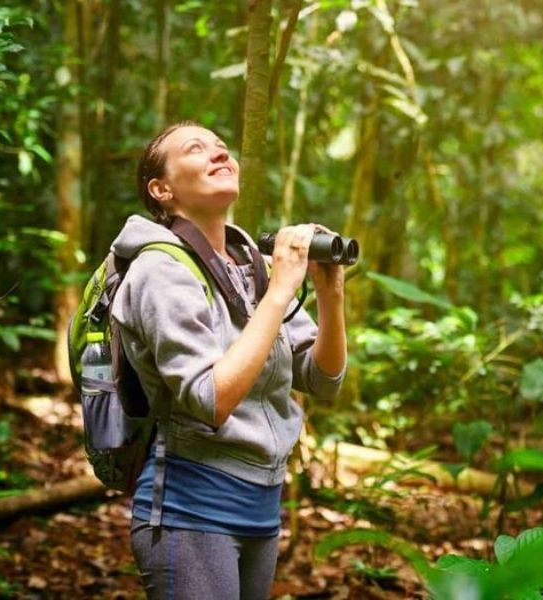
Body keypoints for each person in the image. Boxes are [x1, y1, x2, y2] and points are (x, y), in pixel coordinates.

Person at [110, 120, 346, 599]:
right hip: (190, 508)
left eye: (222, 147)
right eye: (197, 150)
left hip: (261, 507)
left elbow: (322, 379)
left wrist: (329, 295)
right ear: (162, 190)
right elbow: (209, 398)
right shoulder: (159, 270)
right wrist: (281, 289)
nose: (219, 154)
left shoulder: (250, 263)